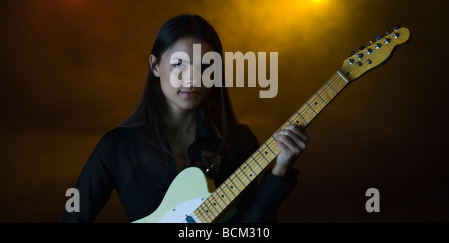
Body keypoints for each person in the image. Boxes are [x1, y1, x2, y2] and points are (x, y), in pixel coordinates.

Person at [61, 14, 309, 223]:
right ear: (155, 66)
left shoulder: (236, 141)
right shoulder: (117, 147)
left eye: (205, 67)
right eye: (179, 64)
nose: (193, 79)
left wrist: (282, 166)